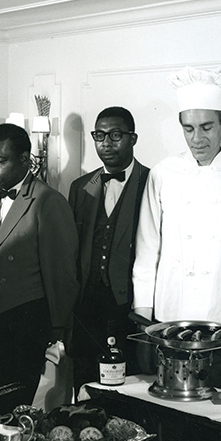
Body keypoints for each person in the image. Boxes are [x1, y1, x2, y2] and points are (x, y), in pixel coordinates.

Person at [132, 66, 221, 393]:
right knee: (169, 415)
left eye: (207, 127)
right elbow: (146, 253)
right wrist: (143, 326)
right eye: (189, 128)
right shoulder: (163, 174)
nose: (198, 139)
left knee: (220, 415)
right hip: (168, 323)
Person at [0, 123, 79, 413]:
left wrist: (57, 325)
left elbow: (61, 272)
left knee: (13, 408)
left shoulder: (47, 201)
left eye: (1, 161)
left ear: (25, 160)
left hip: (23, 320)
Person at [67, 106, 149, 392]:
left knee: (129, 386)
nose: (106, 143)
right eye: (99, 136)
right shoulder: (80, 187)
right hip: (87, 304)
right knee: (86, 382)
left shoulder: (150, 182)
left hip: (129, 304)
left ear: (133, 138)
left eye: (116, 135)